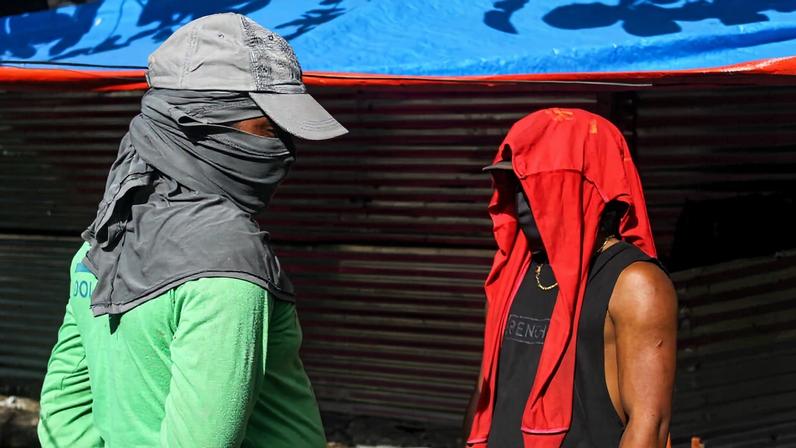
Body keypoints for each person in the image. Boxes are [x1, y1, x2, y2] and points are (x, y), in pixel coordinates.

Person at [37, 13, 347, 448]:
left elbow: (63, 415)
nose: (284, 150)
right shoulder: (227, 261)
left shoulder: (102, 242)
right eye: (266, 128)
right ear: (198, 122)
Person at [464, 108, 677, 447]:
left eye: (532, 186)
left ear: (581, 185)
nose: (519, 204)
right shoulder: (515, 272)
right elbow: (487, 393)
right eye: (513, 186)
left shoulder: (634, 284)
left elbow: (649, 427)